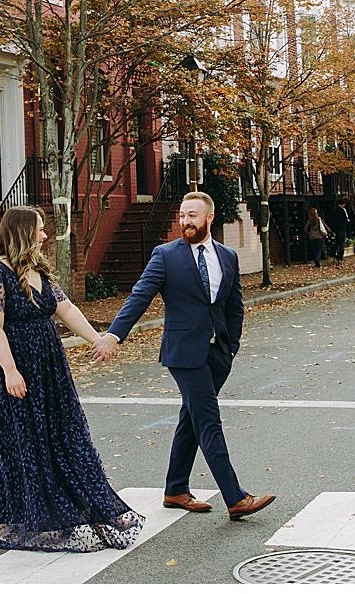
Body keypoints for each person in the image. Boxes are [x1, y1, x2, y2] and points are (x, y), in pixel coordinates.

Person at [94, 191, 275, 520]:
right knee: (208, 420)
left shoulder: (228, 257)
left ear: (209, 217)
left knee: (191, 419)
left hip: (218, 353)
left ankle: (176, 489)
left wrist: (231, 346)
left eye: (192, 215)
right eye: (182, 215)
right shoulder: (165, 255)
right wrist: (114, 334)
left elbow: (234, 307)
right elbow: (140, 296)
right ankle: (235, 497)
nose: (185, 221)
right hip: (183, 353)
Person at [0, 205, 143, 552]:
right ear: (23, 233)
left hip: (48, 369)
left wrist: (97, 339)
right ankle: (18, 519)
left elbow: (66, 310)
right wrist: (10, 370)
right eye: (39, 229)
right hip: (11, 368)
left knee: (63, 436)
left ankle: (82, 508)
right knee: (19, 442)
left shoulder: (39, 271)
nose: (45, 235)